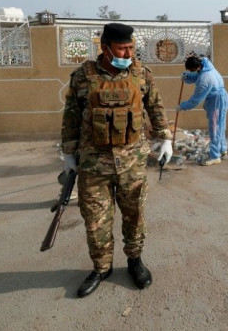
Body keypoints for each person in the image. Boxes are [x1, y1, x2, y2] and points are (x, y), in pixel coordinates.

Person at [61, 22, 174, 298]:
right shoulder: (82, 77)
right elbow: (72, 115)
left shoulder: (141, 74)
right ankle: (101, 267)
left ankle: (135, 261)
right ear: (105, 47)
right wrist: (67, 152)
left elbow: (155, 105)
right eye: (123, 47)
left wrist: (165, 137)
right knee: (96, 220)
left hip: (132, 163)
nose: (129, 52)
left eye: (131, 47)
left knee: (134, 215)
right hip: (93, 164)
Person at [176, 55, 228, 166]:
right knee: (220, 125)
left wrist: (183, 106)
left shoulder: (205, 79)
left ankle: (215, 156)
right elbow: (197, 76)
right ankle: (222, 149)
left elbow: (196, 99)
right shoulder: (207, 66)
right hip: (220, 97)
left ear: (197, 67)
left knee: (214, 127)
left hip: (216, 101)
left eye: (191, 70)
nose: (191, 71)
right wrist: (188, 76)